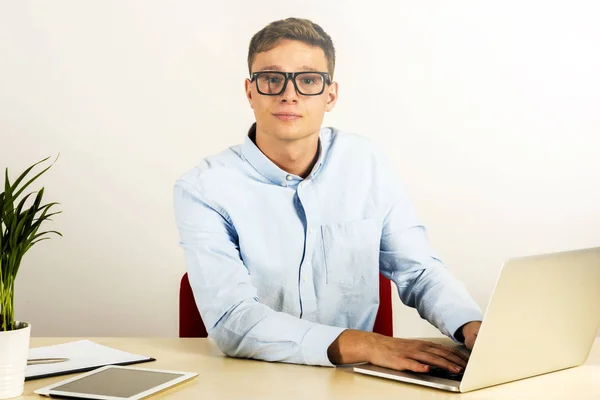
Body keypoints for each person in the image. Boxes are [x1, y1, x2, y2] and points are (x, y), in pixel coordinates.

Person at [173, 17, 483, 374]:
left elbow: (419, 271)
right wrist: (365, 342)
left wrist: (471, 327)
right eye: (272, 79)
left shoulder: (367, 164)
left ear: (330, 95)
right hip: (253, 379)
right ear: (250, 92)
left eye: (307, 80)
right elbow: (233, 320)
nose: (289, 94)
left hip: (355, 383)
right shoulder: (203, 189)